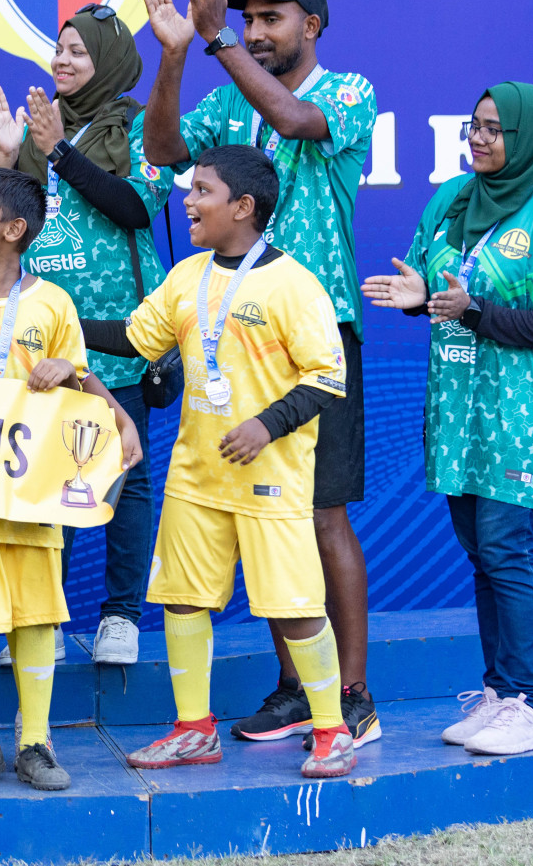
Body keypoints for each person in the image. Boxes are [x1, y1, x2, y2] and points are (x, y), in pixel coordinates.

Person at [140, 0, 381, 746]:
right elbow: (166, 146)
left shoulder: (347, 93)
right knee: (261, 527)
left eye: (271, 19)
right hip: (228, 336)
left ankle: (351, 697)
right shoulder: (223, 84)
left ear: (311, 26)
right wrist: (177, 51)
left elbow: (293, 121)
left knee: (318, 517)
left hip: (316, 336)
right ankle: (293, 691)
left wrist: (216, 44)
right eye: (247, 20)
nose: (255, 32)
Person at [82, 145, 356, 779]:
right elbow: (133, 337)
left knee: (294, 607)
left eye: (202, 190)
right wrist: (62, 320)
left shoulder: (294, 284)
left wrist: (267, 424)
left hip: (270, 484)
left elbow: (327, 377)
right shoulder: (187, 275)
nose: (189, 199)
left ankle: (332, 729)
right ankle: (193, 729)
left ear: (243, 206)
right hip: (195, 478)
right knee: (182, 601)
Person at [362, 83, 533, 757]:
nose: (479, 139)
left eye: (495, 129)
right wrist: (418, 299)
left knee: (507, 549)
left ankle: (531, 706)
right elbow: (438, 292)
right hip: (456, 407)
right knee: (482, 553)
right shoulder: (451, 199)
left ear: (530, 137)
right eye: (475, 126)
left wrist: (472, 312)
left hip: (519, 413)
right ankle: (499, 693)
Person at [0, 167, 140, 793]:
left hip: (30, 490)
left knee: (34, 616)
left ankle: (35, 742)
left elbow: (80, 378)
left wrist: (110, 409)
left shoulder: (53, 303)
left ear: (13, 230)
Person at [0, 3, 171, 667]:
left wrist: (59, 147)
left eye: (78, 52)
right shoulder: (35, 131)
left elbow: (136, 204)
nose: (62, 61)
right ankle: (43, 620)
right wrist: (11, 156)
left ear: (109, 63)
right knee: (47, 470)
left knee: (127, 475)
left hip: (120, 331)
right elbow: (13, 221)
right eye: (58, 50)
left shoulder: (142, 127)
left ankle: (121, 616)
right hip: (44, 332)